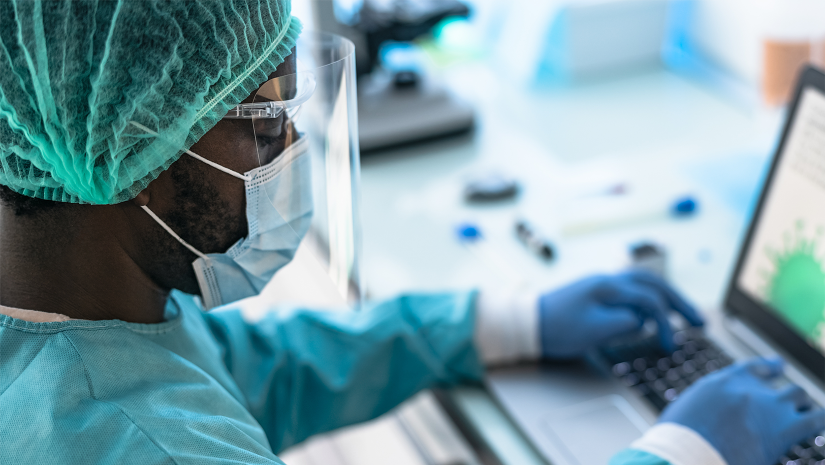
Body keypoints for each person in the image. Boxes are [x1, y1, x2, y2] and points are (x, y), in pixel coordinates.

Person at [0, 1, 821, 464]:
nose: (289, 152)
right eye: (261, 125)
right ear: (133, 141)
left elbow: (251, 375)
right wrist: (684, 453)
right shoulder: (140, 446)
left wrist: (498, 322)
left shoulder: (78, 313)